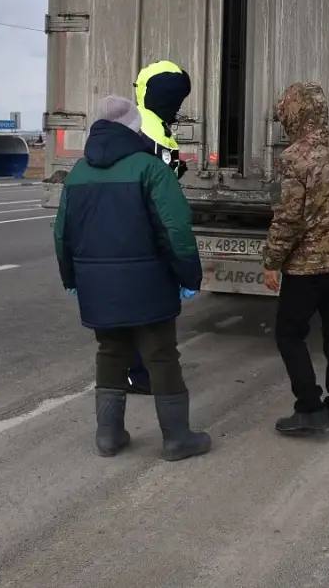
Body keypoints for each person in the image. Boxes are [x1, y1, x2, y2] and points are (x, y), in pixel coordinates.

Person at [54, 96, 211, 461]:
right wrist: (189, 275)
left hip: (97, 287)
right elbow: (176, 230)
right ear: (134, 127)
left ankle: (108, 437)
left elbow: (62, 233)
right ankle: (177, 439)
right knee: (160, 355)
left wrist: (70, 276)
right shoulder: (151, 169)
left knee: (110, 352)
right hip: (149, 284)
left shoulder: (78, 173)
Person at [261, 82, 329, 436]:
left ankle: (309, 407)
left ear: (294, 114)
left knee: (289, 334)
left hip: (307, 267)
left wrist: (272, 261)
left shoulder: (293, 158)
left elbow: (288, 217)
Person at [122, 59, 194, 394]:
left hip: (136, 227)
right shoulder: (154, 130)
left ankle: (138, 371)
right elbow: (159, 184)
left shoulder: (145, 123)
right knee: (146, 310)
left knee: (137, 307)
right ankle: (140, 373)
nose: (179, 107)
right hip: (147, 230)